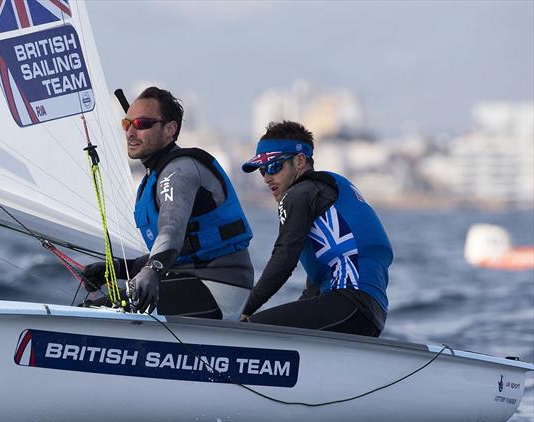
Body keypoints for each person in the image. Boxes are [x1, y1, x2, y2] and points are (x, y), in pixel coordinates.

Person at [83, 87, 254, 319]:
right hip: (189, 279)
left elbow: (171, 232)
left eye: (142, 124)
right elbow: (182, 249)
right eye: (127, 124)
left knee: (95, 315)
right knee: (96, 309)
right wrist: (119, 269)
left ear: (170, 129)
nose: (131, 132)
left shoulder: (179, 171)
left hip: (217, 288)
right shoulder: (154, 177)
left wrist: (151, 271)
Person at [238, 120, 393, 337]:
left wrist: (243, 310)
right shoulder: (329, 190)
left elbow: (284, 259)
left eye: (274, 166)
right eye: (262, 170)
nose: (267, 178)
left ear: (300, 161)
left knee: (245, 332)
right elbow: (317, 285)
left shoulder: (298, 195)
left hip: (348, 304)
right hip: (370, 313)